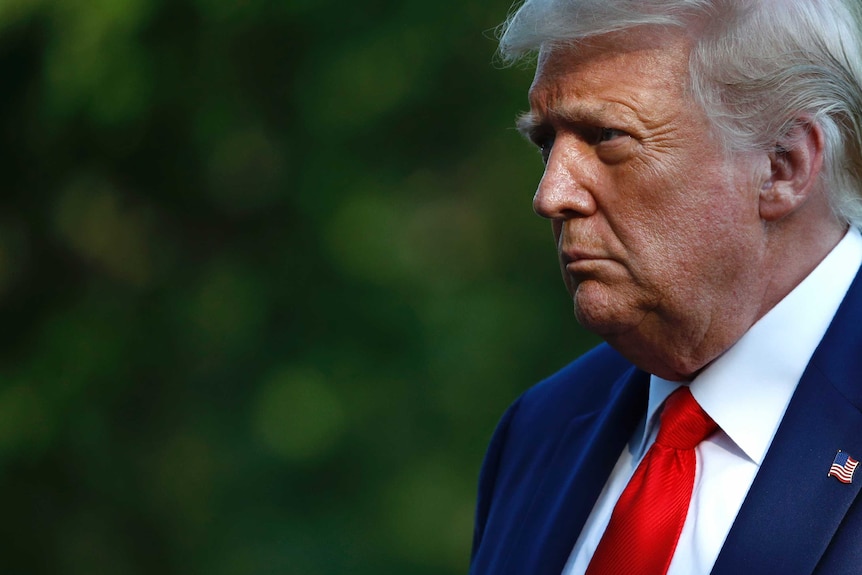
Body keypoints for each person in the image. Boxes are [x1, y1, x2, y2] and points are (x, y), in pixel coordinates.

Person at [470, 1, 862, 574]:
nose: (551, 194)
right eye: (545, 143)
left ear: (782, 164)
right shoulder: (539, 431)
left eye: (607, 135)